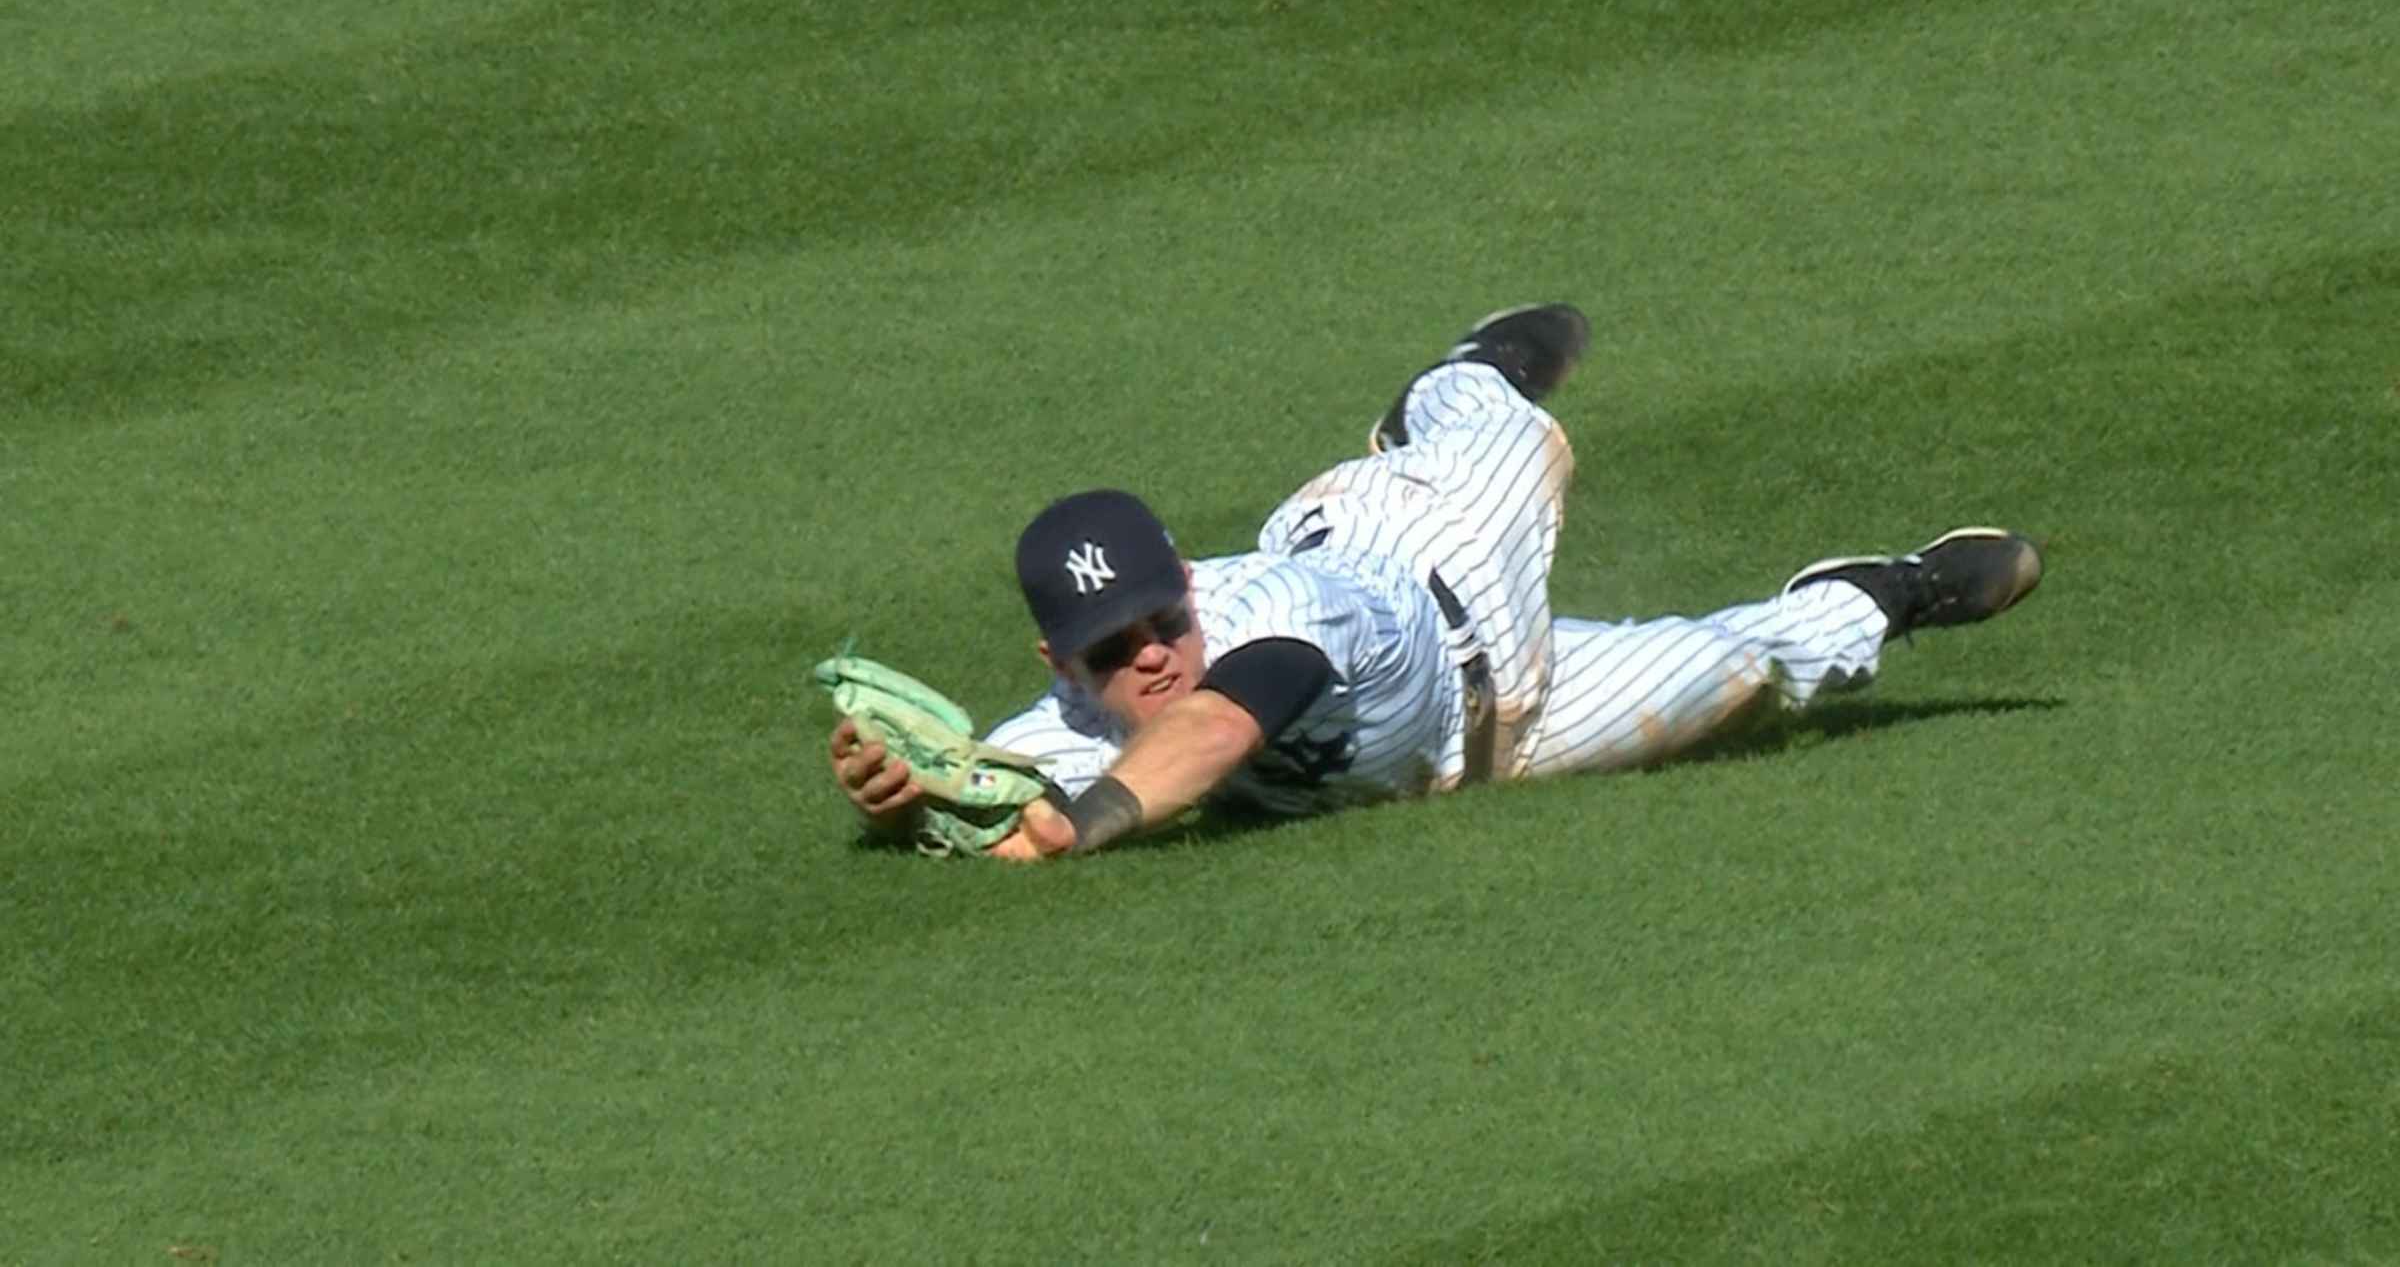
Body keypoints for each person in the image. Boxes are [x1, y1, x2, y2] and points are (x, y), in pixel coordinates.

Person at [827, 305, 2043, 859]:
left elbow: (1206, 730)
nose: (1148, 653)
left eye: (1161, 619)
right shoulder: (1076, 727)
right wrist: (896, 802)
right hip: (1508, 735)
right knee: (1738, 675)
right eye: (1112, 648)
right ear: (1063, 668)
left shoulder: (1273, 625)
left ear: (1191, 586)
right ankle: (1886, 592)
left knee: (1507, 434)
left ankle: (1459, 371)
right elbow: (982, 791)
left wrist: (1075, 832)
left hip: (1431, 552)